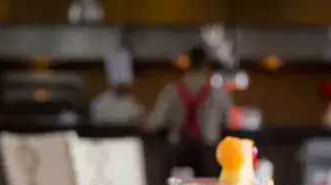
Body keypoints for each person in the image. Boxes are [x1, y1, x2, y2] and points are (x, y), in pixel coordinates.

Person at [146, 45, 232, 177]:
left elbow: (154, 123)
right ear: (206, 66)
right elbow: (229, 122)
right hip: (208, 152)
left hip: (178, 152)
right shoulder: (218, 93)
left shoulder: (171, 91)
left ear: (188, 64)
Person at [90, 50, 145, 126]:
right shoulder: (100, 104)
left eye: (126, 84)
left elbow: (140, 117)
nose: (124, 87)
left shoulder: (131, 101)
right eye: (121, 84)